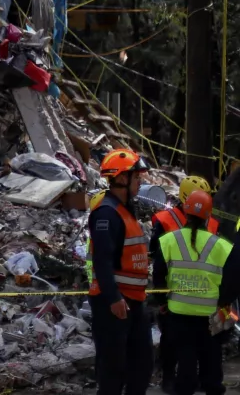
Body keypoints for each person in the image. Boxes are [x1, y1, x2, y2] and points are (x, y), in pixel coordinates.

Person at [152, 190, 240, 395]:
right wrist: (223, 301)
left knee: (186, 363)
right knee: (211, 363)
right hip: (210, 316)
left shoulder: (169, 241)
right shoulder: (221, 246)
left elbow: (158, 275)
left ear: (186, 213)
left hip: (179, 314)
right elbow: (234, 278)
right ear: (208, 216)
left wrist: (162, 301)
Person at [87, 149, 152, 395]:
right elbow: (102, 261)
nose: (140, 182)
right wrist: (113, 297)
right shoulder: (106, 213)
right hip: (113, 303)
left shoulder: (125, 209)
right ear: (122, 178)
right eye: (137, 177)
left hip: (133, 302)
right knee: (113, 369)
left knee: (141, 365)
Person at [151, 176, 218, 392]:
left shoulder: (213, 222)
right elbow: (157, 258)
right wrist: (161, 296)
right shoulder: (164, 219)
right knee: (172, 341)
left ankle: (192, 380)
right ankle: (169, 377)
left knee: (197, 346)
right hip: (176, 293)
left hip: (197, 294)